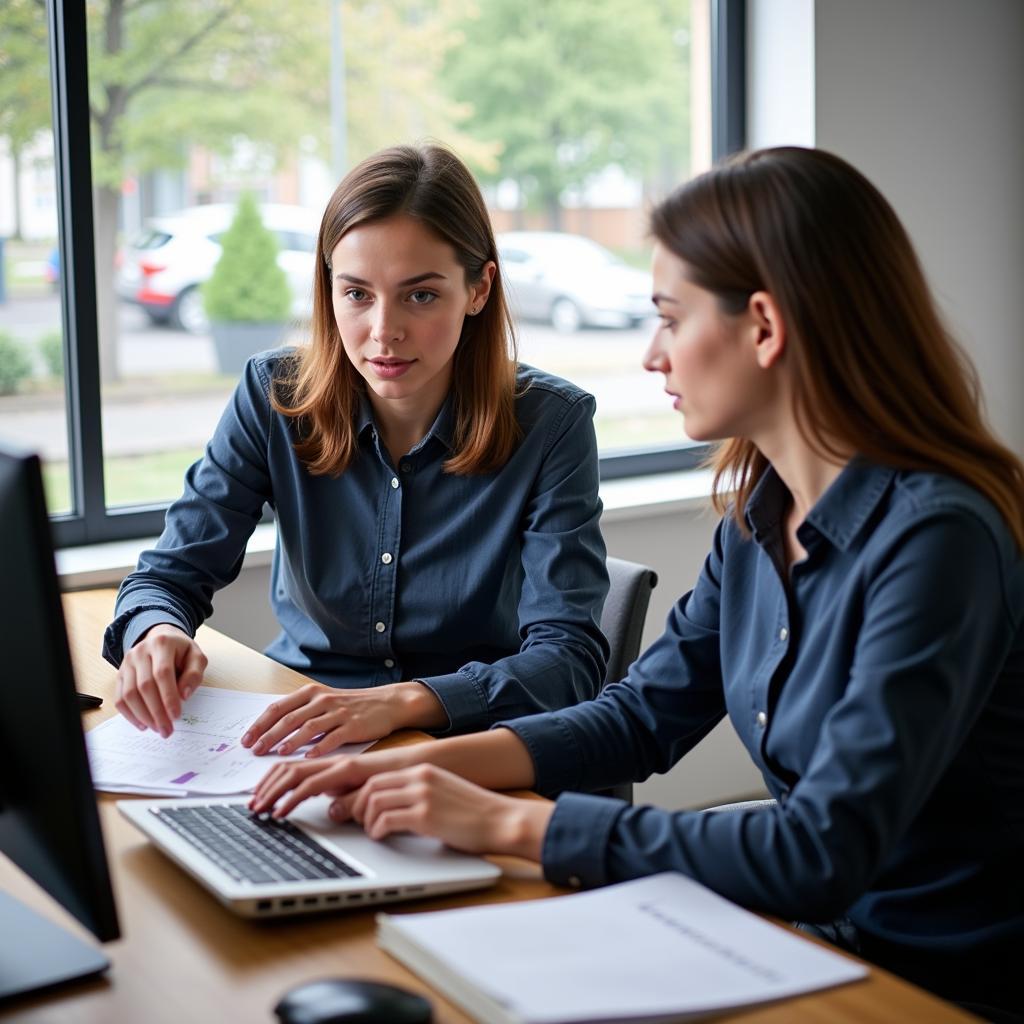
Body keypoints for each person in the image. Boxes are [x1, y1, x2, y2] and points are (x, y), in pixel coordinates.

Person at [250, 147, 1024, 1020]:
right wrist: (417, 770)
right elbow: (641, 716)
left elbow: (821, 850)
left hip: (938, 985)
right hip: (802, 943)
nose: (653, 355)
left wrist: (509, 824)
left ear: (764, 327)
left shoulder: (937, 539)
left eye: (669, 317)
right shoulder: (761, 513)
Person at [103, 144, 609, 753]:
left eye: (420, 295)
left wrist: (398, 704)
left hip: (460, 748)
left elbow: (568, 662)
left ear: (478, 288)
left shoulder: (553, 424)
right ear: (329, 289)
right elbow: (170, 574)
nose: (383, 331)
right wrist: (156, 632)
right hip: (299, 731)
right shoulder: (275, 396)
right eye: (357, 293)